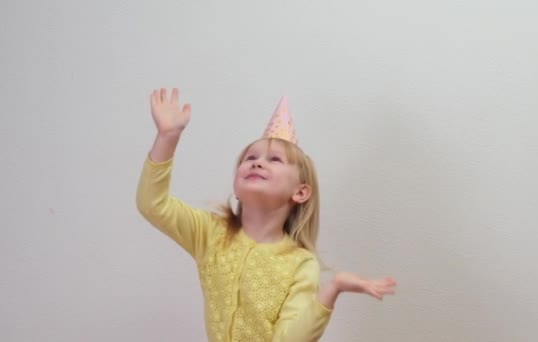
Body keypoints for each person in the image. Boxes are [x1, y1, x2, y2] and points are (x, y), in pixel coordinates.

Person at [136, 87, 397, 341]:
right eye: (250, 158)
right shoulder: (210, 233)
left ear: (301, 192)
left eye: (275, 160)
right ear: (237, 186)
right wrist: (167, 139)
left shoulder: (300, 264)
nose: (257, 162)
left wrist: (332, 289)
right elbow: (153, 204)